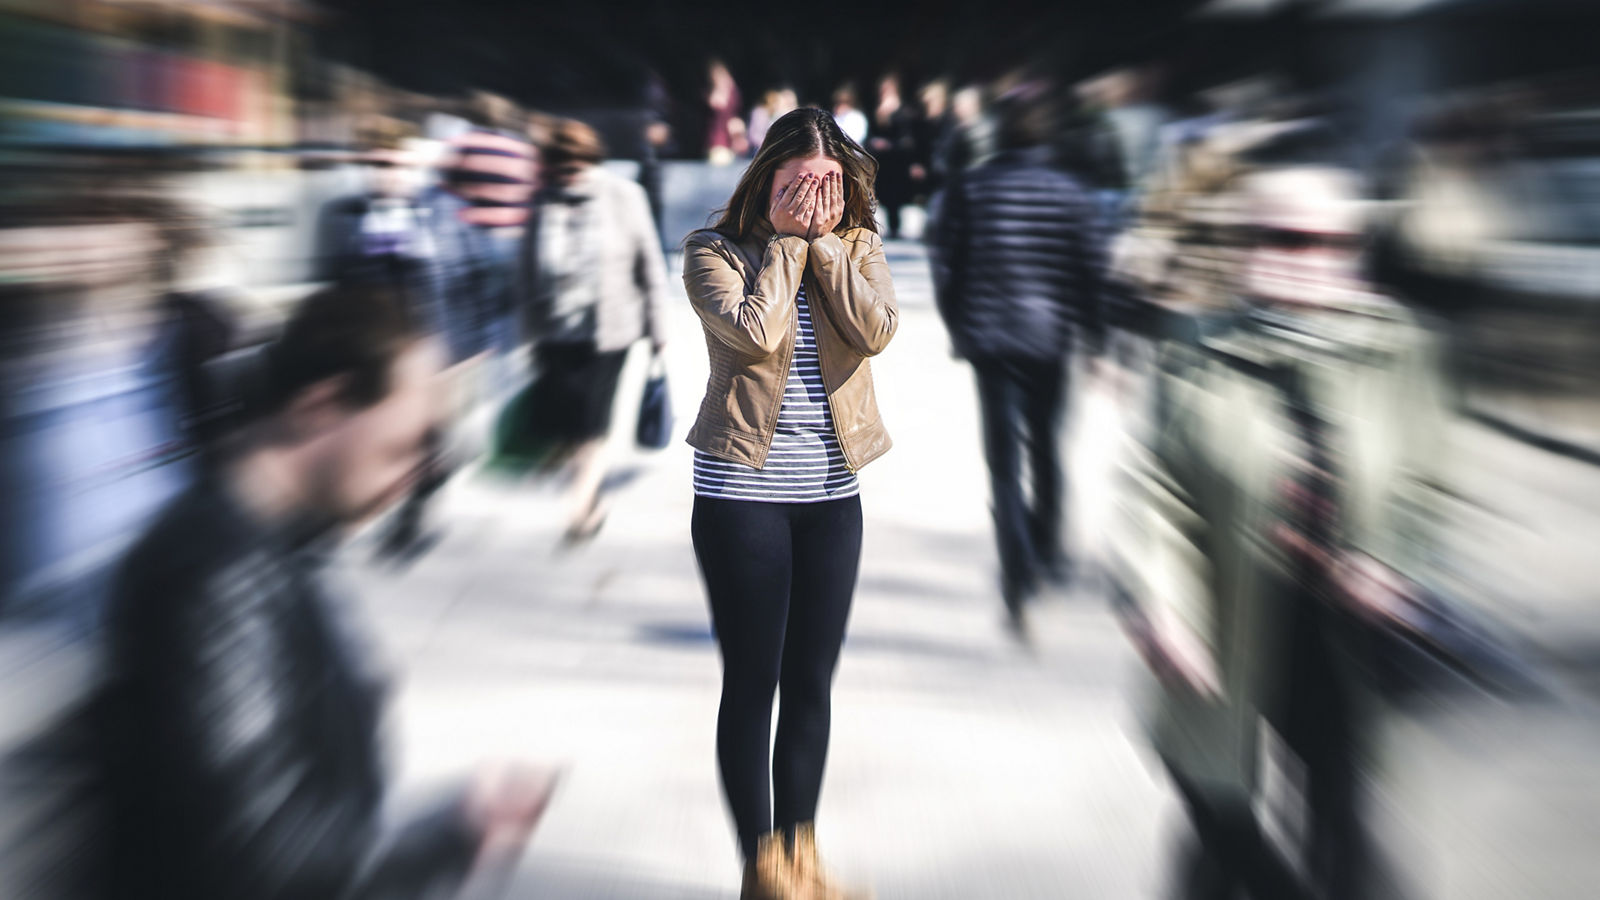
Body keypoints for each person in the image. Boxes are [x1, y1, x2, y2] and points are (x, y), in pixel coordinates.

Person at [95, 281, 557, 900]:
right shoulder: (215, 577)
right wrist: (454, 830)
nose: (419, 474)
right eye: (406, 444)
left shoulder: (275, 548)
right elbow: (260, 856)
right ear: (322, 406)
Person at [1107, 154, 1451, 900]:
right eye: (1274, 237)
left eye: (1320, 241)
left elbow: (1428, 481)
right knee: (1218, 807)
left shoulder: (1400, 351)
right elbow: (1156, 489)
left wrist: (1392, 561)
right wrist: (1163, 602)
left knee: (1343, 820)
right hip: (1223, 615)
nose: (1296, 258)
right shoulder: (1196, 345)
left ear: (1352, 251)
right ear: (1242, 246)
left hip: (1337, 630)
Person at [682, 107, 897, 900]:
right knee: (753, 682)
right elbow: (756, 332)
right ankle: (762, 868)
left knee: (812, 682)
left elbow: (875, 331)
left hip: (834, 496)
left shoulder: (861, 247)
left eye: (831, 183)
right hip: (743, 497)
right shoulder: (714, 252)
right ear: (766, 180)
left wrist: (827, 250)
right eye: (800, 184)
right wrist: (785, 244)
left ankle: (802, 857)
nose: (818, 198)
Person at [927, 88, 1107, 636]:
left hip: (992, 341)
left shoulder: (971, 189)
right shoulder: (1072, 193)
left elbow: (947, 265)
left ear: (999, 132)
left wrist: (959, 326)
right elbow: (1090, 270)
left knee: (1004, 464)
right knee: (1048, 447)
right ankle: (1047, 550)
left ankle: (1017, 569)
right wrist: (1097, 337)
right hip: (1050, 340)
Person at [522, 118, 669, 542]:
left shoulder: (624, 197)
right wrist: (526, 333)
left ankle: (582, 507)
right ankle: (586, 490)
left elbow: (650, 265)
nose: (569, 176)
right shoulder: (542, 202)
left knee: (592, 421)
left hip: (610, 331)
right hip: (555, 332)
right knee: (569, 423)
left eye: (576, 167)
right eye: (561, 169)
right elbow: (525, 272)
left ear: (591, 161)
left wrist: (659, 327)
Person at [868, 74, 918, 239]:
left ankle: (896, 226)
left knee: (896, 194)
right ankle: (892, 226)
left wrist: (889, 145)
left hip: (897, 161)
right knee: (886, 193)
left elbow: (907, 140)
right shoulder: (878, 111)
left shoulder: (902, 111)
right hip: (884, 162)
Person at [707, 60, 748, 165]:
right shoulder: (722, 90)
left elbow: (719, 104)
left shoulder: (731, 91)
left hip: (731, 138)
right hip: (719, 139)